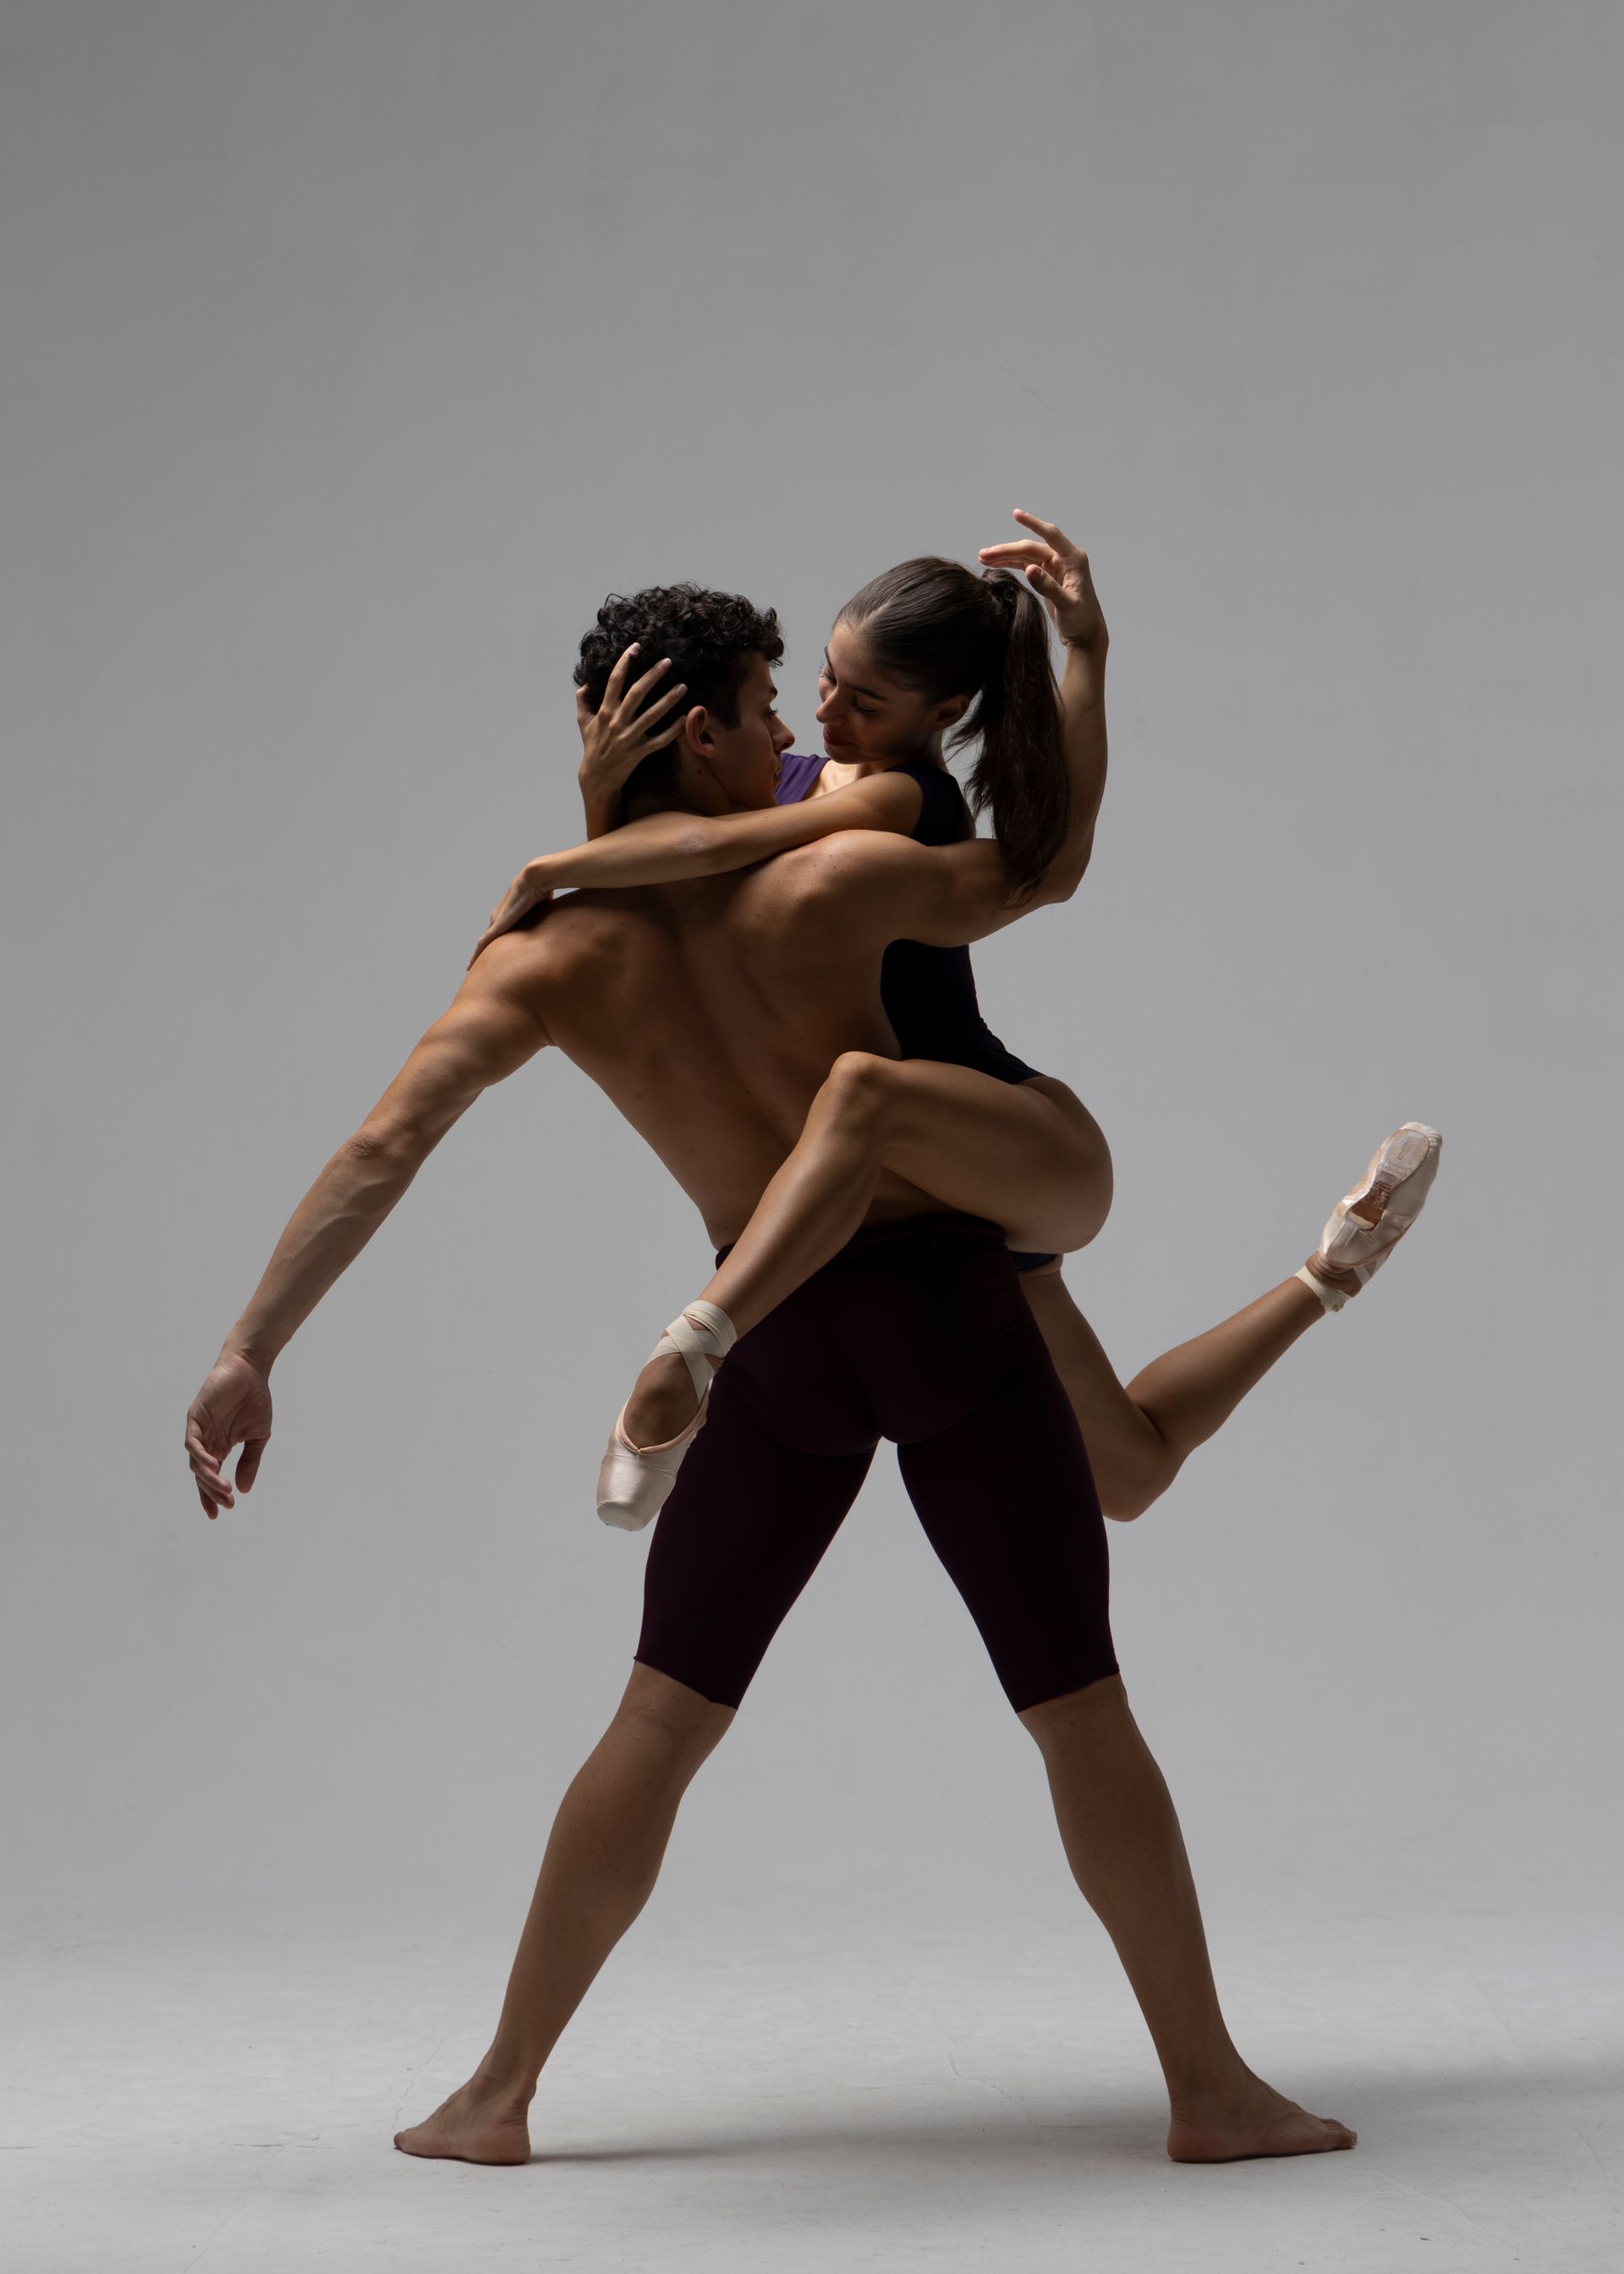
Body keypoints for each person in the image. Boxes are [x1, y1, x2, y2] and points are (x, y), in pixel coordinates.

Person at [184, 577, 1369, 2167]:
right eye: (763, 710)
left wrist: (249, 1345)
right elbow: (1038, 869)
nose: (793, 735)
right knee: (1080, 1709)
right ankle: (1212, 2090)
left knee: (661, 1718)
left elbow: (385, 1143)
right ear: (700, 730)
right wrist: (1083, 666)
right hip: (945, 1307)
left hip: (782, 1342)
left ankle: (495, 2094)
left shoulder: (541, 960)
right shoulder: (843, 879)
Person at [472, 516, 1440, 1528]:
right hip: (918, 1199)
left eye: (866, 698)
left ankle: (692, 1351)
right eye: (826, 678)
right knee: (1132, 1476)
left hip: (985, 1141)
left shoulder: (900, 798)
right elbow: (667, 941)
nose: (827, 711)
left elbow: (720, 859)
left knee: (863, 1091)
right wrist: (602, 800)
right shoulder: (782, 774)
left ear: (944, 710)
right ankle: (1332, 1272)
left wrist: (565, 857)